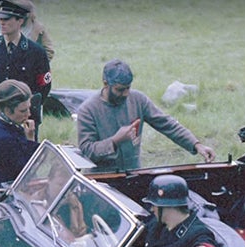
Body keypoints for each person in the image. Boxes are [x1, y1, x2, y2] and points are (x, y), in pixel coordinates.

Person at [77, 59, 215, 173]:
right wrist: (114, 141)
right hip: (102, 182)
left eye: (128, 88)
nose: (125, 94)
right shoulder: (88, 110)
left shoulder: (138, 99)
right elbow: (87, 151)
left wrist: (196, 144)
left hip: (134, 174)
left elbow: (167, 124)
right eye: (119, 90)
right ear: (106, 84)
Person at [0, 0, 51, 130]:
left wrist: (24, 108)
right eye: (0, 18)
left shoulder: (35, 51)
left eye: (7, 19)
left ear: (20, 21)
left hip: (25, 115)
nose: (2, 22)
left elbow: (43, 86)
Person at [143, 175, 218, 247]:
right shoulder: (157, 225)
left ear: (168, 207)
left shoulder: (198, 232)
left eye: (154, 205)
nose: (152, 209)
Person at [0, 79, 38, 189]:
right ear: (7, 110)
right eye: (23, 111)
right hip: (11, 194)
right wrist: (30, 140)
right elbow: (27, 171)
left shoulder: (4, 121)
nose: (28, 114)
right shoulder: (3, 137)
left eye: (29, 108)